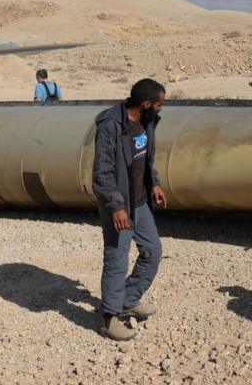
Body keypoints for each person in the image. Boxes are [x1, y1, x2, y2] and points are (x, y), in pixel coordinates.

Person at [92, 78, 168, 341]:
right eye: (159, 104)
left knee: (152, 250)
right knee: (116, 259)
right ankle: (109, 319)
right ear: (146, 104)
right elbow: (102, 173)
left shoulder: (146, 122)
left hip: (140, 202)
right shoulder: (111, 126)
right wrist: (115, 207)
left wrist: (154, 183)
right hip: (119, 206)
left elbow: (144, 159)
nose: (161, 109)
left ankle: (128, 299)